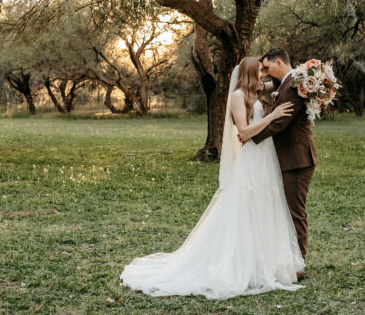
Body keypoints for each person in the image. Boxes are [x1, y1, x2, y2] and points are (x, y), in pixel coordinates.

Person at [120, 57, 304, 299]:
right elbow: (245, 132)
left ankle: (265, 262)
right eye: (261, 71)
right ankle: (242, 263)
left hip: (266, 158)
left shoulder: (258, 91)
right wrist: (273, 115)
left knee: (265, 206)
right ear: (249, 72)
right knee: (246, 209)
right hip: (252, 159)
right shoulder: (238, 96)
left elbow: (286, 84)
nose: (265, 75)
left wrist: (310, 79)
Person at [252, 48, 317, 276]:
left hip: (297, 159)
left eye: (267, 67)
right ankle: (290, 257)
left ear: (279, 62)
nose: (266, 73)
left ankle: (298, 263)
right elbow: (268, 92)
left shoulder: (293, 85)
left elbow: (280, 124)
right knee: (287, 210)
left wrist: (250, 137)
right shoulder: (287, 84)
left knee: (294, 211)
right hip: (289, 157)